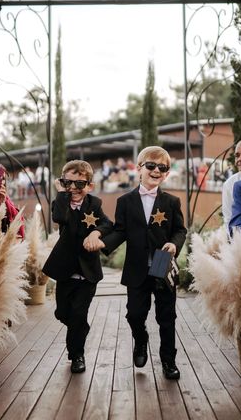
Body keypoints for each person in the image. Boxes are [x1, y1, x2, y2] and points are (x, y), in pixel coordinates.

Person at [101, 146, 187, 380]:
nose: (156, 170)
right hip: (137, 266)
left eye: (162, 168)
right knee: (134, 314)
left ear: (167, 173)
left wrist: (174, 244)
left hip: (161, 262)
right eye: (151, 166)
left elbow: (180, 230)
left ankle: (169, 361)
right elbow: (120, 231)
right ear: (139, 169)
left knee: (166, 317)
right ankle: (141, 339)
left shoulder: (171, 202)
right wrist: (102, 244)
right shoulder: (125, 201)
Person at [42, 160, 113, 374]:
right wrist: (61, 193)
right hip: (65, 271)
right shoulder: (60, 203)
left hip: (87, 273)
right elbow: (59, 218)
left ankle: (77, 355)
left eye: (79, 184)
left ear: (89, 186)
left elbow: (108, 224)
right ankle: (79, 327)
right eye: (68, 183)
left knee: (78, 313)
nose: (73, 188)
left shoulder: (95, 204)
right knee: (63, 312)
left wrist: (96, 233)